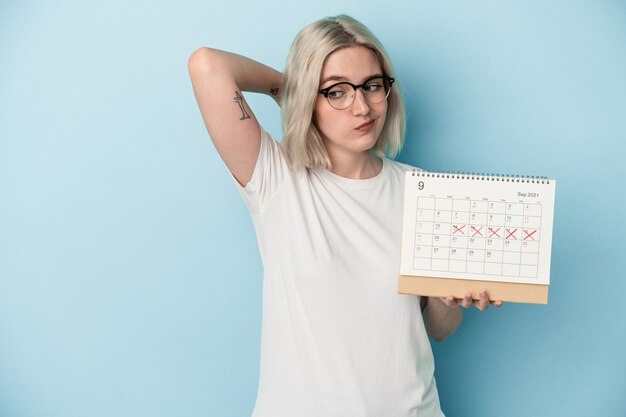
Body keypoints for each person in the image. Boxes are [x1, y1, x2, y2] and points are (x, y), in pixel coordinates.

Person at [188, 14, 502, 417]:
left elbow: (441, 330)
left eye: (373, 85)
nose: (362, 106)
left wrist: (449, 296)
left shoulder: (422, 189)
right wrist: (293, 90)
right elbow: (207, 65)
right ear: (310, 96)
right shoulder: (276, 177)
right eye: (337, 91)